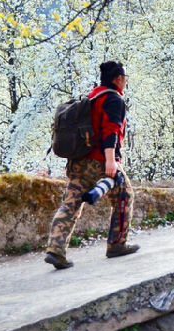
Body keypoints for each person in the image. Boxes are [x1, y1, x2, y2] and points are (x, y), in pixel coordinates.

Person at [44, 61, 139, 269]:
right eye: (125, 77)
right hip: (100, 161)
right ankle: (117, 244)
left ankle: (55, 249)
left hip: (78, 162)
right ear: (118, 79)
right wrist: (111, 161)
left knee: (71, 203)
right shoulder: (113, 99)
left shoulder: (92, 97)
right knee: (124, 195)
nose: (125, 81)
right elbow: (111, 131)